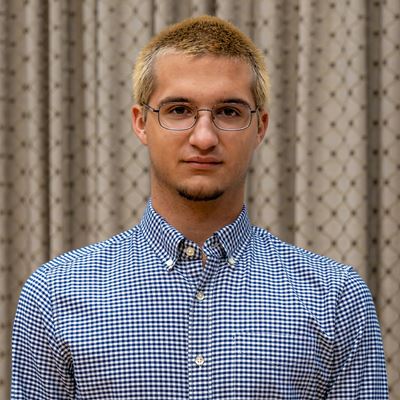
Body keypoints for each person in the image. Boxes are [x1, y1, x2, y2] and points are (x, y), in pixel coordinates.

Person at [11, 15, 388, 399]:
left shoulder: (336, 298)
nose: (204, 137)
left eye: (229, 112)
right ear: (141, 123)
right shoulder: (54, 294)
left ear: (260, 127)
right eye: (179, 110)